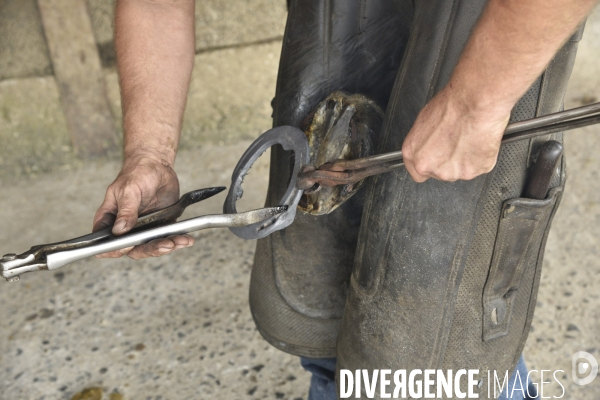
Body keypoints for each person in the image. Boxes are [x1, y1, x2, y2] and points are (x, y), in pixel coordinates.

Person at [93, 1, 597, 399]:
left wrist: (476, 102)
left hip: (491, 49)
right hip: (336, 52)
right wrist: (149, 155)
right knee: (318, 306)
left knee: (434, 355)